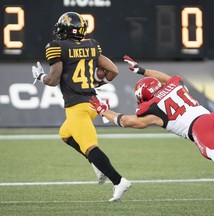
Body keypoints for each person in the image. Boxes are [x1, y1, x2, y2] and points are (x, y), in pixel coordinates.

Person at [89, 55, 214, 206]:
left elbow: (130, 122)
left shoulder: (154, 110)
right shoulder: (175, 85)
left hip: (199, 127)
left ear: (143, 97)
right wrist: (142, 70)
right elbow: (165, 78)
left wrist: (104, 111)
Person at [31, 12, 131, 202]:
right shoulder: (92, 45)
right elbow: (113, 71)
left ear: (66, 29)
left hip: (77, 107)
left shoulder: (57, 47)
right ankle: (96, 164)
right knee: (65, 134)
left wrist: (39, 76)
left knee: (90, 147)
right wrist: (93, 84)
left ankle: (119, 181)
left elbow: (52, 80)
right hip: (92, 104)